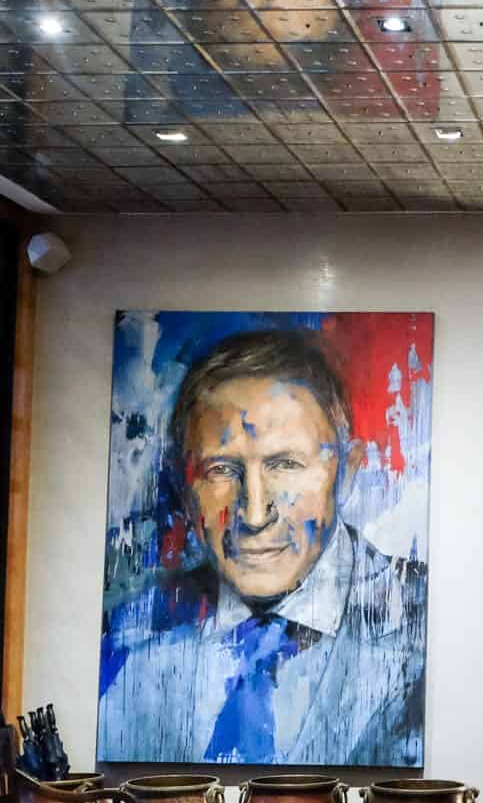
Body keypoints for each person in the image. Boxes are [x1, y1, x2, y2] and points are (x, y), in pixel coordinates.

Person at [98, 328, 426, 766]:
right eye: (221, 469)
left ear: (347, 470)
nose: (254, 514)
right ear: (183, 482)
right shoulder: (130, 633)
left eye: (285, 464)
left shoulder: (426, 617)